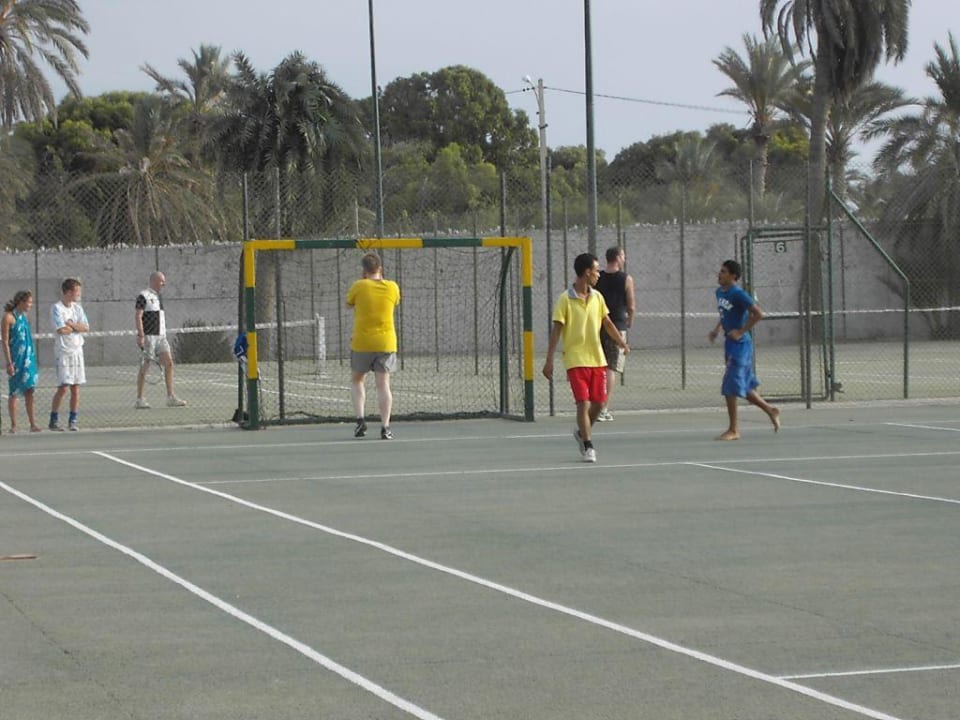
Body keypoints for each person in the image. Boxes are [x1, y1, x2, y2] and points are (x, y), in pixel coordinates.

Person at [543, 253, 629, 463]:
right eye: (595, 270)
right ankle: (589, 445)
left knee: (599, 404)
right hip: (575, 360)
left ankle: (582, 432)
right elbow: (556, 330)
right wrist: (549, 360)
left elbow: (607, 323)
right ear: (586, 272)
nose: (598, 274)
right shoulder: (565, 299)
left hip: (597, 359)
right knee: (583, 402)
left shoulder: (597, 297)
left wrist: (621, 342)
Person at [708, 259, 781, 440]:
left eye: (724, 271)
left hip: (741, 346)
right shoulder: (719, 292)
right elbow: (724, 313)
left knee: (730, 386)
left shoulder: (739, 294)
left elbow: (758, 314)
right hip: (729, 343)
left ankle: (734, 429)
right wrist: (717, 329)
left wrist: (741, 332)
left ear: (733, 276)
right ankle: (770, 410)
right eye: (720, 271)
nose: (720, 274)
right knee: (745, 387)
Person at [346, 253, 401, 440]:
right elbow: (395, 302)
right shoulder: (392, 287)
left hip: (362, 342)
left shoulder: (358, 286)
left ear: (364, 271)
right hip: (386, 342)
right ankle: (385, 427)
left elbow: (349, 304)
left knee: (357, 379)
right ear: (380, 269)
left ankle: (360, 420)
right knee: (383, 385)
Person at [594, 246, 635, 422]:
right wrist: (630, 320)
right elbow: (631, 305)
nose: (624, 258)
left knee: (598, 367)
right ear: (617, 258)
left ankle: (593, 404)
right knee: (610, 368)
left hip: (597, 325)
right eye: (623, 255)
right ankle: (602, 408)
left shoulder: (597, 277)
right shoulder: (626, 278)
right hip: (616, 326)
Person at [134, 271, 186, 408]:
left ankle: (171, 397)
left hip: (161, 337)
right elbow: (138, 316)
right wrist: (141, 335)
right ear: (154, 281)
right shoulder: (143, 295)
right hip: (149, 337)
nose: (164, 284)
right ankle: (140, 399)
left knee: (169, 363)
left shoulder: (159, 297)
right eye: (162, 281)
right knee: (145, 367)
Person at [49, 278, 88, 431]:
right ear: (69, 292)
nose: (79, 294)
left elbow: (85, 327)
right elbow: (60, 330)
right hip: (63, 353)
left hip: (77, 351)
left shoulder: (77, 309)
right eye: (77, 291)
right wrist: (74, 327)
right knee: (63, 388)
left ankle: (73, 420)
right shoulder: (56, 308)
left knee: (76, 388)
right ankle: (54, 419)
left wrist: (71, 325)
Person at [2, 290, 41, 433]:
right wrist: (9, 362)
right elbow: (5, 342)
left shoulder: (24, 317)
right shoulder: (8, 317)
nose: (30, 305)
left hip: (28, 359)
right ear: (21, 301)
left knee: (30, 390)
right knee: (14, 392)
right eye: (29, 302)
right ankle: (13, 425)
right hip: (16, 360)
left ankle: (33, 424)